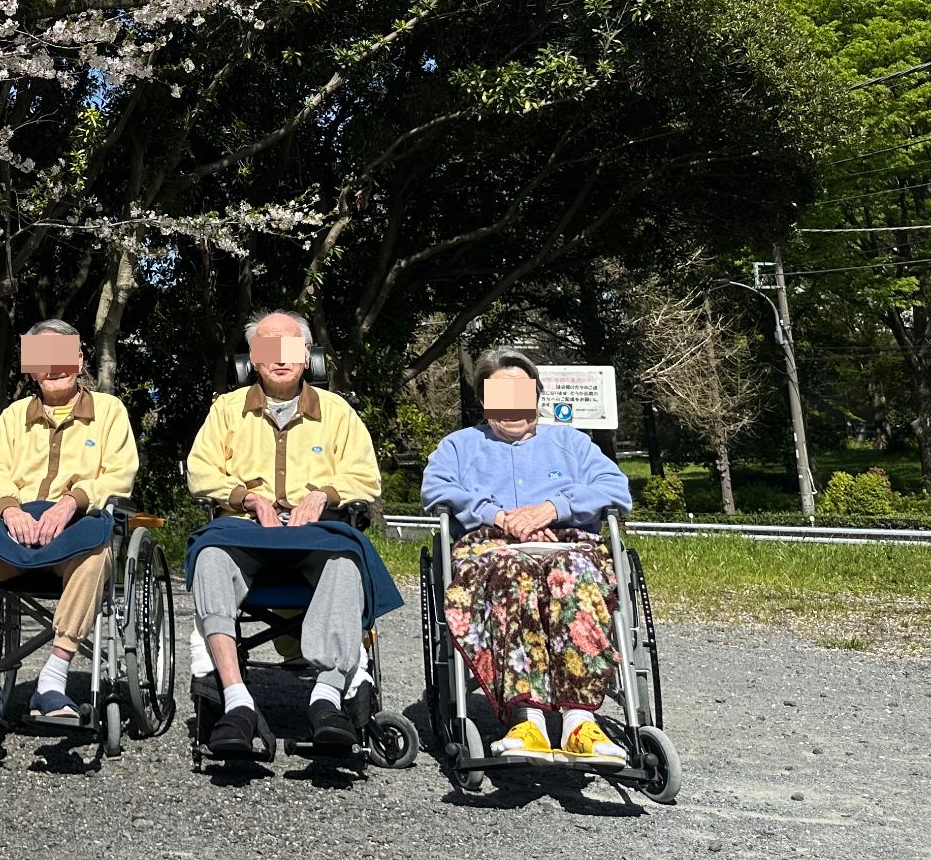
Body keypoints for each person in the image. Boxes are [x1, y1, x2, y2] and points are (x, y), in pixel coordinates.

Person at [184, 309, 395, 757]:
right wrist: (247, 497)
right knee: (210, 557)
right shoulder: (226, 411)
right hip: (245, 533)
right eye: (268, 348)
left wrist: (323, 495)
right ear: (252, 360)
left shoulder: (337, 412)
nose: (280, 359)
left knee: (346, 562)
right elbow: (200, 472)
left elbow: (366, 478)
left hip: (314, 534)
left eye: (290, 348)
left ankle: (327, 697)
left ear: (307, 355)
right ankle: (237, 700)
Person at [421, 347, 635, 769]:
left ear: (537, 396)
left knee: (570, 574)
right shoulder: (459, 447)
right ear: (484, 402)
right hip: (491, 549)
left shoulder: (572, 443)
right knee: (515, 572)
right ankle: (528, 718)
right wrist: (498, 516)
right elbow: (437, 490)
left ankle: (579, 722)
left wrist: (553, 508)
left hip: (566, 545)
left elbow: (616, 489)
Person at [0, 319, 139, 725]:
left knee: (97, 555)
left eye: (62, 356)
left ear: (79, 360)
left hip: (76, 527)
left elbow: (120, 473)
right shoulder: (13, 416)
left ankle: (53, 679)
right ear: (31, 368)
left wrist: (70, 503)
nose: (55, 367)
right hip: (15, 528)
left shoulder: (109, 411)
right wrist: (10, 509)